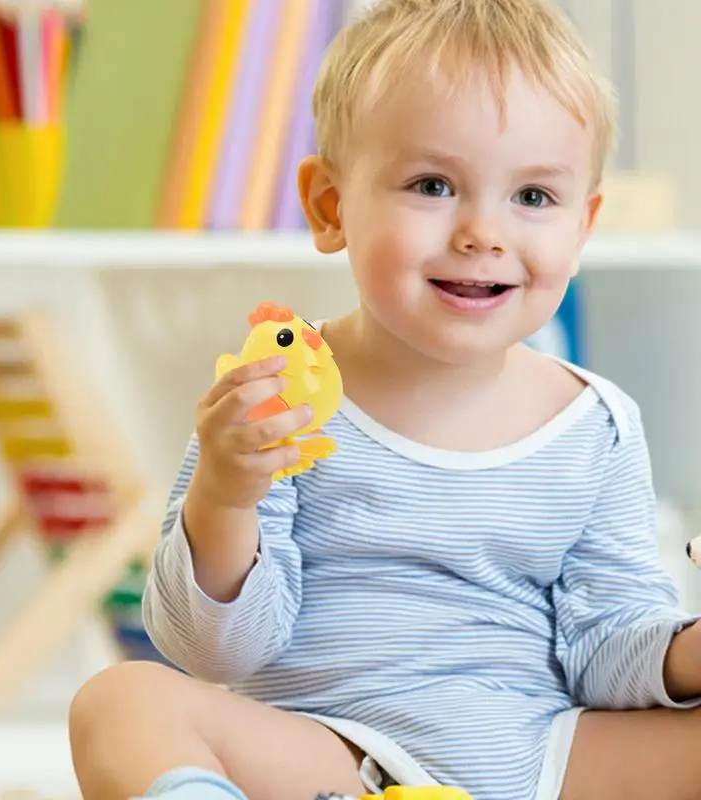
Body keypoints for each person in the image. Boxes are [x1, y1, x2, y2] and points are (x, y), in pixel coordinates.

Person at [68, 1, 701, 799]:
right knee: (121, 700)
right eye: (433, 185)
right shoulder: (278, 400)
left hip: (542, 760)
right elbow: (214, 654)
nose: (483, 232)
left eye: (534, 198)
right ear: (330, 206)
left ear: (583, 226)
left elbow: (610, 643)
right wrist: (227, 496)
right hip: (335, 759)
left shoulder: (597, 424)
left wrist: (691, 651)